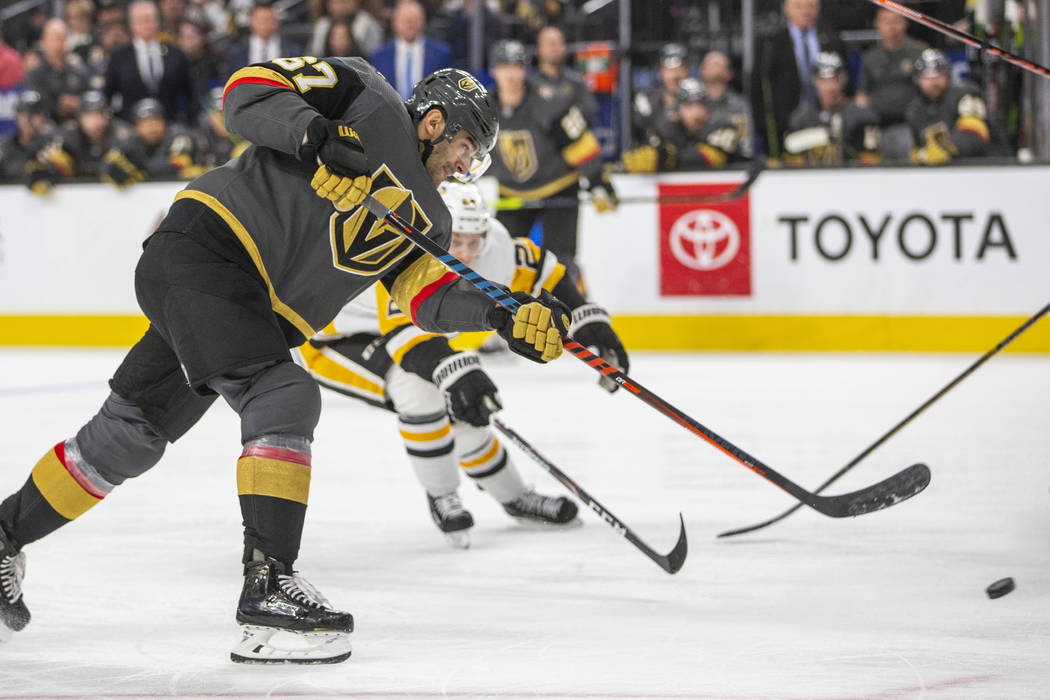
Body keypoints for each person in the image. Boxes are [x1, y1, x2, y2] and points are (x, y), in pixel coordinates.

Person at [0, 60, 569, 664]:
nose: (464, 165)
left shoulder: (431, 217)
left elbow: (425, 299)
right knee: (284, 396)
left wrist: (501, 317)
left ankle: (6, 533)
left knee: (127, 436)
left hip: (237, 306)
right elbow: (246, 91)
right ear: (433, 121)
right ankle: (268, 587)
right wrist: (315, 136)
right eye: (464, 147)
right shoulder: (363, 95)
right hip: (210, 250)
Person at [296, 181, 629, 547]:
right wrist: (458, 371)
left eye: (475, 242)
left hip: (403, 331)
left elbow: (547, 273)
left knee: (462, 407)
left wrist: (589, 325)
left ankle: (515, 498)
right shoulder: (404, 253)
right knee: (421, 392)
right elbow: (408, 340)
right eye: (457, 242)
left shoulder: (499, 246)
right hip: (331, 336)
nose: (467, 254)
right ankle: (442, 493)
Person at [488, 39, 616, 285]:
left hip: (558, 188)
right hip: (512, 192)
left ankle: (575, 309)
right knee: (501, 257)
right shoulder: (485, 108)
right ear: (494, 70)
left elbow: (579, 140)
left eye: (517, 67)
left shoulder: (548, 101)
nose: (511, 74)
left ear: (525, 70)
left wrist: (599, 181)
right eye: (505, 67)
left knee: (561, 263)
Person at [751, 0, 845, 158]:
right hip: (785, 125)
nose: (806, 11)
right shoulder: (770, 44)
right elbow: (757, 89)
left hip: (827, 123)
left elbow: (844, 80)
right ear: (786, 8)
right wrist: (765, 128)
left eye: (811, 6)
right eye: (799, 6)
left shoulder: (833, 40)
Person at [104, 0, 197, 125]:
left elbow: (190, 94)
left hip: (170, 124)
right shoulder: (119, 57)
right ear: (132, 24)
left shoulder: (175, 54)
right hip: (131, 127)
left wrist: (188, 121)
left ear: (158, 21)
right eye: (141, 20)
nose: (147, 24)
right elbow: (107, 95)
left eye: (151, 19)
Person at [622, 79, 742, 173]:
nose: (697, 113)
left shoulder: (723, 127)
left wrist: (668, 158)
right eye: (689, 105)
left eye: (701, 105)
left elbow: (710, 158)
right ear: (678, 110)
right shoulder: (668, 130)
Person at [783, 52, 881, 166]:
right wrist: (823, 135)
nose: (830, 88)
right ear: (815, 82)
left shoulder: (863, 117)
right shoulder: (801, 119)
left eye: (835, 80)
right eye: (824, 81)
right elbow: (791, 161)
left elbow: (872, 161)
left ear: (844, 80)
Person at [905, 48, 993, 165]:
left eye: (939, 75)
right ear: (917, 80)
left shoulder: (965, 95)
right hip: (940, 174)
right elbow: (917, 150)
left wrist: (946, 146)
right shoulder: (914, 110)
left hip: (985, 167)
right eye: (927, 77)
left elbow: (974, 137)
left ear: (948, 76)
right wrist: (921, 156)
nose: (933, 82)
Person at [33, 90, 133, 186]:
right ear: (79, 118)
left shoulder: (122, 135)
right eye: (89, 115)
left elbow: (138, 162)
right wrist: (49, 172)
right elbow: (52, 166)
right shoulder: (67, 137)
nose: (95, 122)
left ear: (108, 117)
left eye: (100, 114)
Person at [100, 97, 205, 186]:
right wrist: (114, 171)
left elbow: (177, 165)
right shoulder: (128, 142)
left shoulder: (181, 137)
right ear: (136, 127)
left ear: (164, 122)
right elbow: (107, 166)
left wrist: (140, 170)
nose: (152, 127)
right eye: (145, 122)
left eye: (156, 120)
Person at [856, 8, 927, 128]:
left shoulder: (919, 52)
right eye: (886, 21)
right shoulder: (870, 57)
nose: (891, 26)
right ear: (876, 24)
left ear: (905, 22)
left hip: (911, 122)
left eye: (896, 21)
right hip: (877, 123)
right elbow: (862, 94)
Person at [370, 1, 453, 101]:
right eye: (405, 20)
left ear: (423, 22)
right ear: (394, 23)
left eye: (414, 20)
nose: (410, 24)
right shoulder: (379, 57)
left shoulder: (441, 53)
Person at [23, 19, 91, 125]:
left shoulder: (78, 70)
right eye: (54, 38)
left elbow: (89, 98)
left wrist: (77, 104)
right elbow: (40, 105)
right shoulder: (36, 74)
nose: (58, 43)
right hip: (47, 128)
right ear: (44, 41)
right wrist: (62, 105)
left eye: (62, 38)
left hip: (78, 126)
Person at [531, 25, 597, 124]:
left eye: (558, 42)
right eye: (549, 43)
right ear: (538, 48)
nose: (554, 47)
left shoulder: (577, 82)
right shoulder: (529, 83)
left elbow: (589, 112)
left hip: (571, 137)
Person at [697, 50, 753, 159]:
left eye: (716, 64)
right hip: (700, 161)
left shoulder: (739, 105)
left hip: (733, 162)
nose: (707, 67)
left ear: (728, 74)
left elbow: (745, 143)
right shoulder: (694, 103)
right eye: (706, 63)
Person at [632, 43, 689, 143]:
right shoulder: (646, 102)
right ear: (661, 73)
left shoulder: (698, 100)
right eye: (670, 70)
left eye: (680, 69)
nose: (675, 76)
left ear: (687, 71)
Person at [226, 3, 303, 75]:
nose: (266, 24)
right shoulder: (236, 52)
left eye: (270, 20)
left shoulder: (293, 51)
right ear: (251, 21)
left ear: (277, 22)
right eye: (262, 20)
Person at [0, 91, 54, 187]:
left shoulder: (53, 145)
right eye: (22, 114)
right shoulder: (4, 147)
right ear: (17, 116)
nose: (26, 119)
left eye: (35, 114)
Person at [308, 0, 383, 60]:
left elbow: (375, 55)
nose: (341, 5)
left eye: (346, 1)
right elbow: (316, 54)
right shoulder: (322, 25)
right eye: (336, 2)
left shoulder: (366, 22)